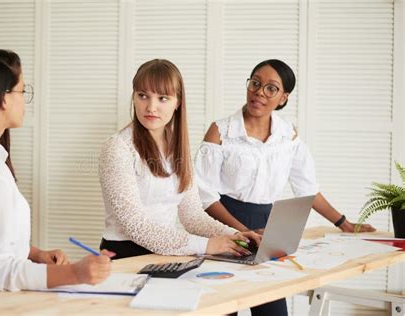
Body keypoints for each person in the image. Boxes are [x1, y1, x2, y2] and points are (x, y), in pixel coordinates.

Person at [194, 59, 376, 315]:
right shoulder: (220, 131)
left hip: (269, 226)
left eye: (271, 88)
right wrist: (242, 232)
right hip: (223, 224)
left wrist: (343, 223)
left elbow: (307, 188)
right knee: (224, 306)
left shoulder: (287, 135)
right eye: (255, 83)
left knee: (273, 309)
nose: (259, 91)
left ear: (283, 97)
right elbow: (204, 196)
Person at [0, 48, 112, 291]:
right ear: (3, 98)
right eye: (22, 90)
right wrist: (74, 273)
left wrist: (34, 254)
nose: (24, 100)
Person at [99, 59, 261, 260]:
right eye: (143, 96)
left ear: (178, 102)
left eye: (162, 98)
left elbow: (192, 215)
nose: (151, 107)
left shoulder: (177, 148)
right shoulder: (117, 147)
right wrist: (207, 245)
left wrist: (234, 236)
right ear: (134, 97)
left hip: (166, 254)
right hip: (125, 255)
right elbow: (135, 225)